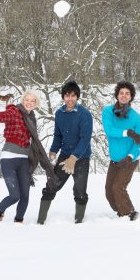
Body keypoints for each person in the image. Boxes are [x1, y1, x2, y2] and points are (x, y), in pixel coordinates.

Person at [0, 90, 57, 223]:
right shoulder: (14, 111)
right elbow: (2, 117)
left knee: (25, 196)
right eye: (27, 100)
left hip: (24, 160)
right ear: (22, 100)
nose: (29, 103)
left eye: (33, 101)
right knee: (14, 196)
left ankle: (19, 222)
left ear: (36, 104)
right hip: (8, 159)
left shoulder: (31, 118)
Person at [37, 80, 93, 224]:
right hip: (64, 156)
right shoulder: (59, 113)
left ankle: (79, 221)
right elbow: (58, 135)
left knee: (80, 191)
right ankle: (41, 220)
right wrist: (53, 150)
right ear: (63, 97)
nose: (70, 98)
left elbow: (85, 139)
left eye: (73, 95)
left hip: (81, 158)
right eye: (67, 95)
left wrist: (74, 158)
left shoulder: (84, 114)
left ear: (77, 97)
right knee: (52, 185)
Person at [102, 81, 140, 221]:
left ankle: (129, 214)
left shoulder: (136, 117)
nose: (124, 96)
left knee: (118, 187)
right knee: (109, 191)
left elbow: (138, 144)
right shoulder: (108, 112)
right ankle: (121, 210)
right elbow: (109, 131)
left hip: (129, 160)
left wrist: (130, 157)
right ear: (117, 95)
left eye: (127, 93)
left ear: (131, 96)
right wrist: (128, 132)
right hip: (114, 159)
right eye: (121, 93)